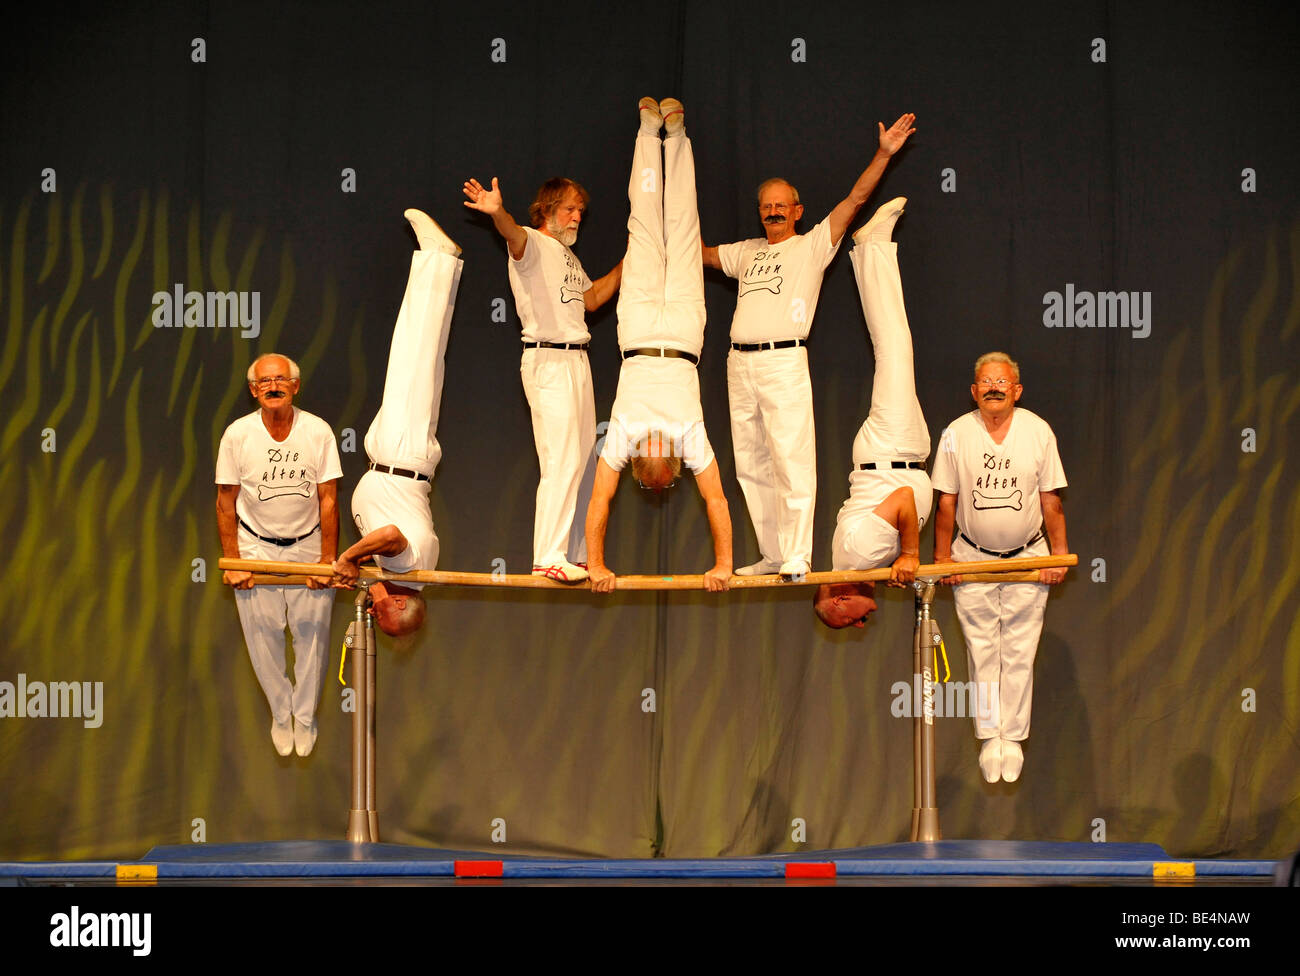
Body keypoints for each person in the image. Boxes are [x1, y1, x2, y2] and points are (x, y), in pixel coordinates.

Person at [703, 114, 917, 578]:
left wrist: (883, 153)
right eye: (766, 206)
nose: (773, 212)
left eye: (782, 206)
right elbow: (695, 252)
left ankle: (797, 554)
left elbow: (856, 199)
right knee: (751, 464)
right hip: (738, 363)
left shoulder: (813, 245)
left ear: (797, 211)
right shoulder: (744, 251)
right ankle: (774, 553)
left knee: (791, 459)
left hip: (783, 360)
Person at [585, 97, 732, 594]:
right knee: (684, 224)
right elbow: (715, 500)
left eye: (647, 478)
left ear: (638, 469)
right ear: (671, 470)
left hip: (641, 331)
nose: (654, 470)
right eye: (661, 478)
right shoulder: (690, 441)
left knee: (645, 224)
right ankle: (679, 136)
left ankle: (650, 135)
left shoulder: (622, 439)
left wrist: (596, 564)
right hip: (684, 333)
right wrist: (723, 564)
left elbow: (599, 500)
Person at [461, 173, 623, 582]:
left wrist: (628, 263)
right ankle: (547, 554)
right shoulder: (532, 244)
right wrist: (498, 212)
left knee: (585, 460)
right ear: (546, 210)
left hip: (577, 362)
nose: (576, 217)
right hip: (548, 361)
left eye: (580, 211)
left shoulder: (567, 256)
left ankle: (576, 552)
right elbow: (512, 234)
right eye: (569, 209)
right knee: (561, 458)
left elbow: (592, 299)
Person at [931, 352, 1069, 783]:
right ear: (974, 391)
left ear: (1017, 391)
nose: (994, 388)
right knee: (982, 646)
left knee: (1020, 647)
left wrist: (1058, 555)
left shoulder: (1038, 431)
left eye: (1002, 382)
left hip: (1029, 554)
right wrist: (942, 561)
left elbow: (1050, 499)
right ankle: (992, 735)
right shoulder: (956, 433)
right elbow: (946, 501)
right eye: (986, 382)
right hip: (971, 555)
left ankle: (1014, 737)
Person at [327, 210, 463, 636]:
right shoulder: (407, 567)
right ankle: (438, 259)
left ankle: (444, 266)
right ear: (400, 601)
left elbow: (382, 548)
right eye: (379, 613)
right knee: (413, 351)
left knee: (422, 353)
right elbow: (388, 534)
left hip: (401, 456)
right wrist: (348, 557)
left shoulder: (408, 572)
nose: (371, 609)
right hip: (401, 454)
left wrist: (349, 568)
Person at [217, 353, 342, 757]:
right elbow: (225, 501)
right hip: (255, 546)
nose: (273, 386)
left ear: (295, 386)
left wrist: (327, 560)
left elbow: (328, 499)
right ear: (253, 390)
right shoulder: (237, 434)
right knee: (263, 635)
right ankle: (280, 710)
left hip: (307, 544)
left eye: (281, 379)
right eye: (264, 381)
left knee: (311, 634)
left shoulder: (318, 431)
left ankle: (304, 716)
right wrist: (235, 562)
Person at [813, 198, 929, 629]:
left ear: (840, 601)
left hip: (892, 449)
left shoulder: (857, 557)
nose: (864, 625)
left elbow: (901, 500)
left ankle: (872, 245)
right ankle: (871, 248)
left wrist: (911, 554)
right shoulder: (863, 562)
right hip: (900, 452)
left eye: (852, 623)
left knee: (894, 346)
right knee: (895, 347)